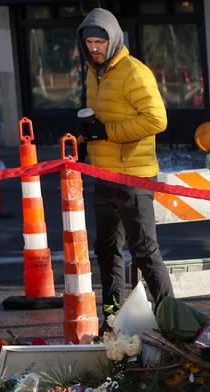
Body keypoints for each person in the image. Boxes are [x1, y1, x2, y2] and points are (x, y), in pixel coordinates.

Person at [75, 8, 172, 316]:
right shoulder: (93, 72)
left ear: (113, 40)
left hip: (133, 176)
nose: (94, 48)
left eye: (99, 42)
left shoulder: (134, 71)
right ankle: (113, 317)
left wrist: (109, 132)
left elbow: (157, 120)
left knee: (144, 252)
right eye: (89, 42)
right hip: (102, 176)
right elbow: (104, 119)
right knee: (105, 251)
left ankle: (172, 318)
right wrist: (85, 139)